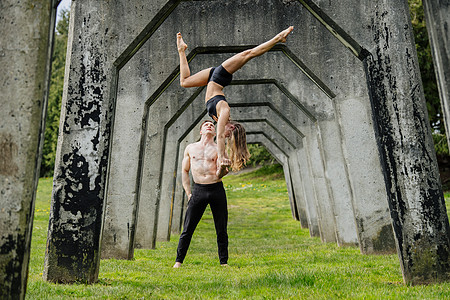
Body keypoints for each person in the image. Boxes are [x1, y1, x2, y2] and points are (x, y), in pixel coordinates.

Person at [176, 26, 294, 173]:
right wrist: (221, 155)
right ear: (231, 127)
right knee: (248, 54)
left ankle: (182, 50)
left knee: (185, 82)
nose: (223, 135)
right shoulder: (224, 111)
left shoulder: (217, 118)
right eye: (228, 135)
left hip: (211, 77)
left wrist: (224, 157)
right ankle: (278, 38)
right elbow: (219, 136)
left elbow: (220, 138)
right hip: (219, 76)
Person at [173, 120, 230, 268]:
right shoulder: (190, 148)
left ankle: (223, 262)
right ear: (201, 131)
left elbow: (219, 174)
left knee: (221, 228)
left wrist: (223, 169)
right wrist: (188, 193)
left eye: (212, 125)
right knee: (188, 228)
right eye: (206, 125)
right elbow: (184, 171)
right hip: (198, 190)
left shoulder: (219, 148)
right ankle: (178, 262)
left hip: (216, 189)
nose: (210, 126)